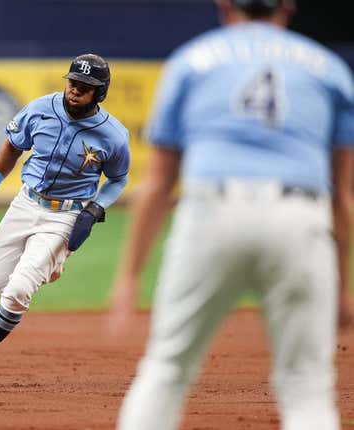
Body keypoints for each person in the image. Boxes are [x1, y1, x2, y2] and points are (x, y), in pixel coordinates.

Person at [108, 0, 354, 429]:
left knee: (167, 370)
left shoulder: (190, 60)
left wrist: (128, 276)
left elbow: (158, 185)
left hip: (211, 212)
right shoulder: (328, 68)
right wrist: (341, 285)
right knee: (306, 386)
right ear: (288, 6)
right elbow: (341, 196)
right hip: (300, 215)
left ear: (224, 5)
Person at [0, 53, 131, 388]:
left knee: (19, 289)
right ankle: (51, 263)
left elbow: (119, 179)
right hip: (25, 203)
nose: (75, 90)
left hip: (65, 215)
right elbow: (11, 146)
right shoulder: (40, 109)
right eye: (73, 82)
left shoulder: (114, 136)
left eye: (85, 87)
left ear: (99, 92)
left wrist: (95, 209)